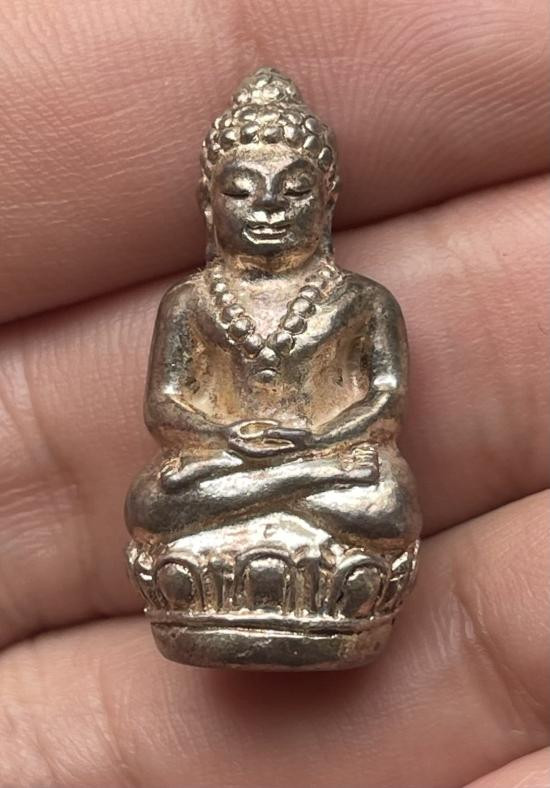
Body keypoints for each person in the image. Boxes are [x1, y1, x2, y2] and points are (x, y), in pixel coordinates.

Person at [0, 2, 548, 786]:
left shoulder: (361, 301)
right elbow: (166, 406)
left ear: (325, 202)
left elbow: (385, 398)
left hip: (325, 459)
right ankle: (278, 501)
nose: (267, 210)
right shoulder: (190, 303)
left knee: (388, 496)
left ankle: (283, 510)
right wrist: (227, 441)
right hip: (244, 462)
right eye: (244, 190)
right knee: (155, 497)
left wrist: (315, 444)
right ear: (209, 202)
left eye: (291, 192)